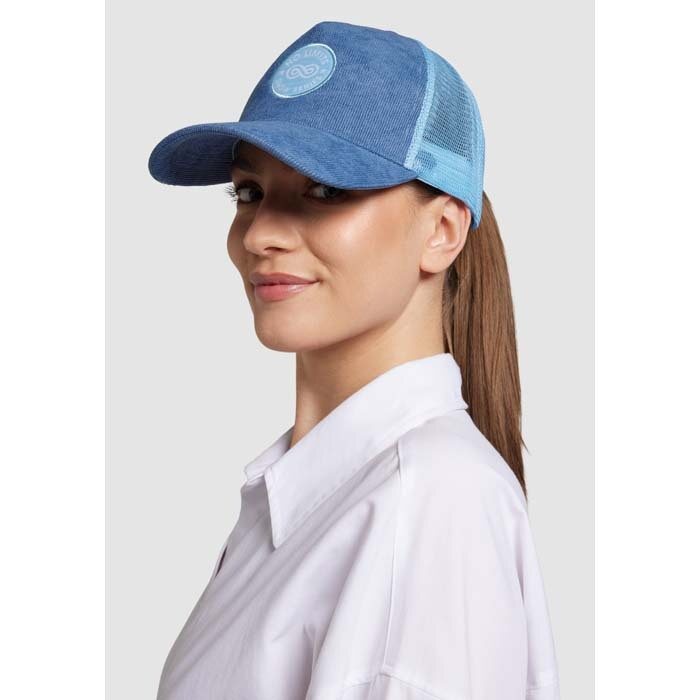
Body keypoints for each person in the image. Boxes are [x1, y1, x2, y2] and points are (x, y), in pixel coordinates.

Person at [147, 20, 561, 700]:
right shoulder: (311, 499)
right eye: (248, 192)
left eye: (327, 191)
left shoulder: (428, 504)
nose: (261, 234)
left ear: (442, 231)